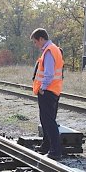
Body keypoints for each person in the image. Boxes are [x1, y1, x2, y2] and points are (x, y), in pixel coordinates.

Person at [30, 28, 64, 160]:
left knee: (49, 121)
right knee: (46, 119)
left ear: (41, 39)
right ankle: (46, 145)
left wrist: (42, 87)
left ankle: (55, 151)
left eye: (35, 42)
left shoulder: (49, 51)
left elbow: (49, 73)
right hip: (53, 90)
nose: (35, 44)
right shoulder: (53, 49)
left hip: (48, 91)